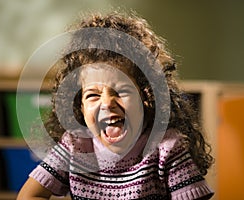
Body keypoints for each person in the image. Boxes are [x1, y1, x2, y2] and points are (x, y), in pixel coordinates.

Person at [17, 11, 214, 200]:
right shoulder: (75, 145)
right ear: (81, 106)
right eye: (93, 95)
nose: (107, 103)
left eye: (121, 92)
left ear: (147, 96)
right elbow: (29, 195)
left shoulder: (167, 148)